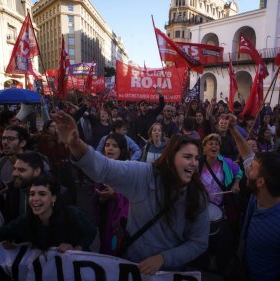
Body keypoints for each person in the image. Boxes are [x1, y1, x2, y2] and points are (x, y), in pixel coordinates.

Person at [51, 111, 209, 275]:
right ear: (170, 157)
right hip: (132, 266)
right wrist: (76, 144)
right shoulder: (144, 175)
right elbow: (105, 168)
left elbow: (199, 242)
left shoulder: (198, 196)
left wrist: (163, 258)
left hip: (171, 273)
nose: (194, 164)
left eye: (197, 159)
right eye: (188, 157)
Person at [226, 113, 280, 281]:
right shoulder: (259, 193)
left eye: (251, 168)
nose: (247, 169)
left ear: (260, 182)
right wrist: (233, 128)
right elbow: (247, 156)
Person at [0, 173, 97, 252]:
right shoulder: (26, 220)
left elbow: (90, 232)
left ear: (53, 198)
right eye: (32, 194)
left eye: (42, 194)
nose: (35, 199)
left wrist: (77, 249)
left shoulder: (72, 214)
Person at [197, 133, 243, 274]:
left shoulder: (227, 162)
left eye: (217, 144)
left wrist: (236, 184)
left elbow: (239, 172)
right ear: (204, 147)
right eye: (211, 143)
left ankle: (213, 256)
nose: (214, 146)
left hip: (220, 206)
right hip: (200, 206)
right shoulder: (198, 162)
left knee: (216, 235)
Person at [94, 133, 130, 256]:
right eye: (107, 145)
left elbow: (131, 199)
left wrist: (114, 194)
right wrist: (101, 199)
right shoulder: (101, 169)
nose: (110, 148)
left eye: (115, 146)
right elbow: (96, 196)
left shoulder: (128, 171)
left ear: (122, 150)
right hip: (104, 219)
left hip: (120, 223)